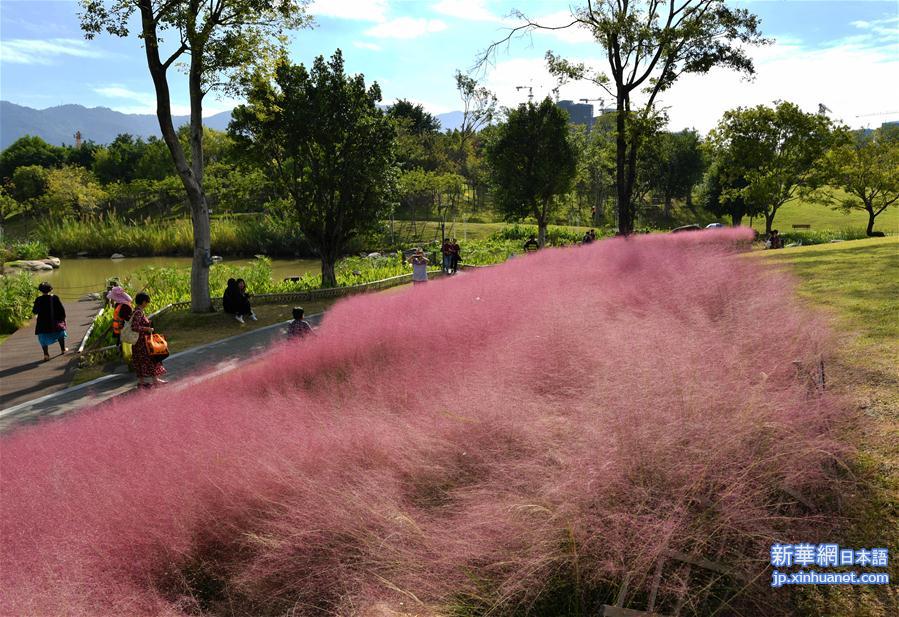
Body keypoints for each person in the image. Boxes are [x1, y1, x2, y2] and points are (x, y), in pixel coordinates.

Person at [130, 292, 167, 388]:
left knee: (142, 361)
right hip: (142, 342)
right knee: (151, 359)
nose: (147, 304)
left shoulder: (137, 311)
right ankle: (155, 380)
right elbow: (135, 327)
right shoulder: (138, 312)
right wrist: (147, 329)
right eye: (147, 302)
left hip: (139, 342)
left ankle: (142, 382)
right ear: (143, 302)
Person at [32, 282, 67, 361]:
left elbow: (35, 311)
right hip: (54, 322)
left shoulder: (38, 299)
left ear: (40, 290)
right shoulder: (55, 298)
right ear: (50, 289)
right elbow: (61, 309)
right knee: (60, 334)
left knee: (43, 339)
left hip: (42, 324)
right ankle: (63, 349)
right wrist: (63, 318)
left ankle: (46, 355)